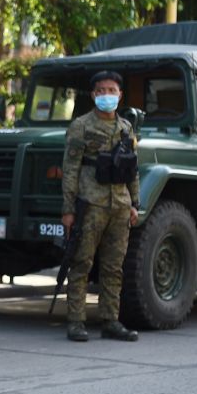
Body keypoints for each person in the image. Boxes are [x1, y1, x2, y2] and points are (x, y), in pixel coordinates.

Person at [61, 70, 140, 342]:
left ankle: (110, 320)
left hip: (119, 205)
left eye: (112, 90)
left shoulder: (126, 128)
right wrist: (68, 210)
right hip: (90, 204)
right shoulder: (81, 126)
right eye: (102, 90)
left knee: (113, 266)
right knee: (81, 263)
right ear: (94, 94)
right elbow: (70, 170)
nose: (107, 95)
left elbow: (133, 169)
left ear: (120, 95)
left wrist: (134, 203)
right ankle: (76, 321)